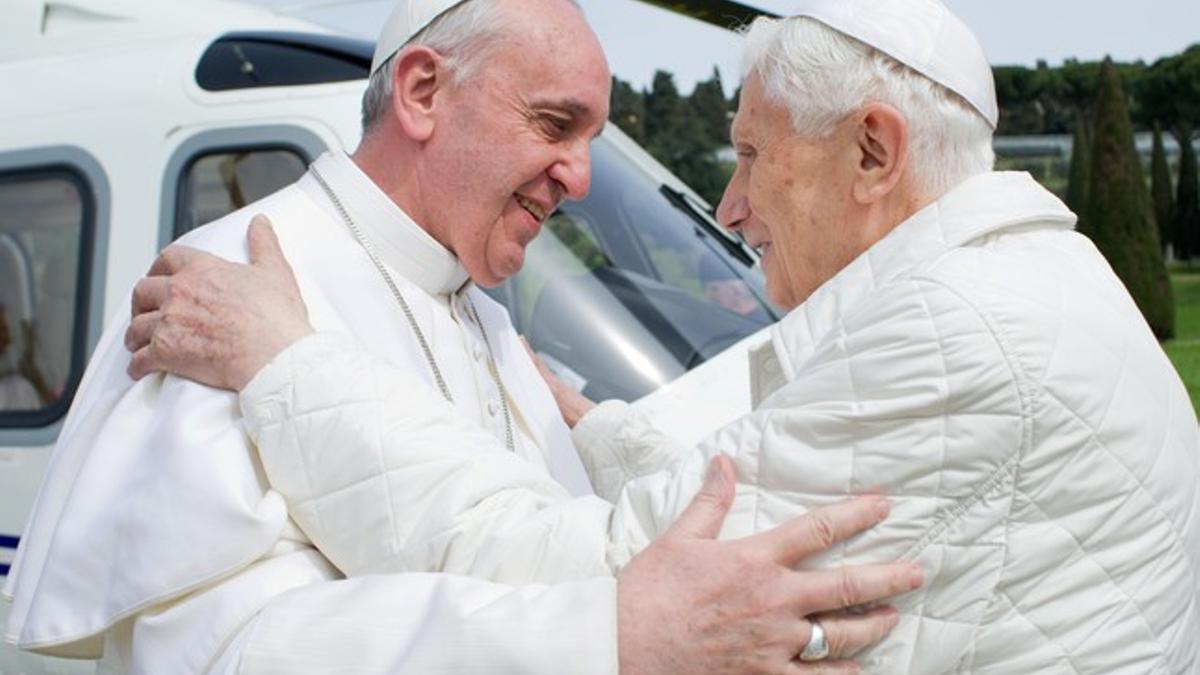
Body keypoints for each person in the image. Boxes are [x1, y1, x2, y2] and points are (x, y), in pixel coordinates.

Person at [122, 0, 1200, 672]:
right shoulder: (1033, 280)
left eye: (748, 154)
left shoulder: (964, 335)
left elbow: (594, 582)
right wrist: (589, 427)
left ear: (873, 154)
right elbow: (739, 478)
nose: (728, 208)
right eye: (554, 125)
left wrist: (289, 367)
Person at [3, 0, 920, 673]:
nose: (581, 177)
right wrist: (608, 637)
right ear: (423, 90)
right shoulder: (224, 289)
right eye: (556, 124)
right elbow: (217, 653)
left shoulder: (479, 305)